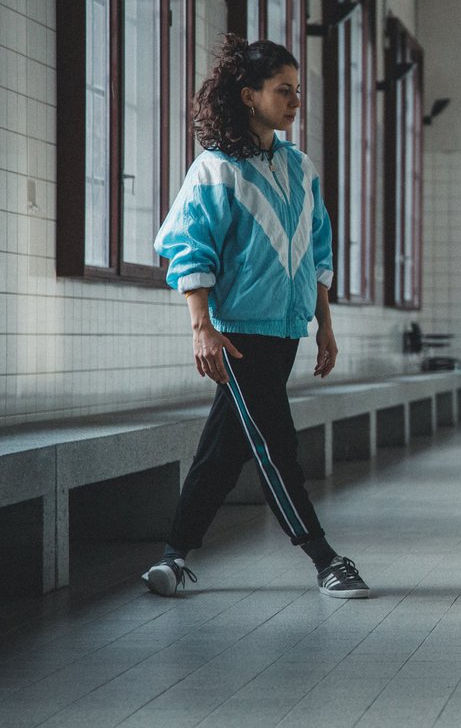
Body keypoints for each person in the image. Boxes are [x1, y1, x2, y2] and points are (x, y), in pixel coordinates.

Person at [141, 34, 370, 599]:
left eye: (296, 91)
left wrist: (325, 324)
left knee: (224, 449)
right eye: (282, 91)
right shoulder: (217, 170)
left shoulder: (299, 167)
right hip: (237, 335)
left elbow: (320, 249)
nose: (294, 101)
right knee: (274, 443)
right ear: (248, 95)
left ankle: (173, 558)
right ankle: (324, 559)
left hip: (286, 330)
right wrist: (203, 328)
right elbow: (188, 247)